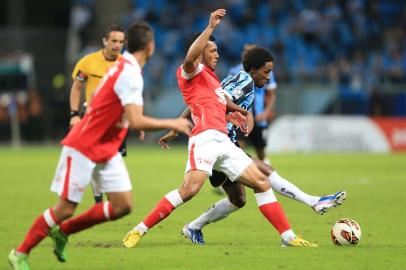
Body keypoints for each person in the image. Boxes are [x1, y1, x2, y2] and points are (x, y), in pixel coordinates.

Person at [122, 9, 317, 249]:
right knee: (189, 190)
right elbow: (190, 57)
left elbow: (219, 103)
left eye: (216, 50)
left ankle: (288, 236)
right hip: (204, 139)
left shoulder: (213, 80)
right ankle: (138, 230)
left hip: (223, 141)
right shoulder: (191, 71)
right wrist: (211, 27)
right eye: (212, 50)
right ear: (200, 49)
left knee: (261, 182)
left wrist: (243, 111)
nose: (217, 54)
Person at [8, 21, 192, 270]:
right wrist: (173, 122)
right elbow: (136, 119)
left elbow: (101, 99)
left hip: (106, 146)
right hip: (83, 145)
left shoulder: (123, 67)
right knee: (64, 209)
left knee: (123, 205)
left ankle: (63, 233)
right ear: (150, 47)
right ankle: (20, 252)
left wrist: (117, 119)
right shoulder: (129, 73)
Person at [158, 46, 346, 244]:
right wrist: (243, 113)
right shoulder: (245, 81)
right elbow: (223, 100)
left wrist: (176, 127)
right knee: (265, 172)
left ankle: (193, 227)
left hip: (219, 145)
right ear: (253, 70)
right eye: (266, 72)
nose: (268, 77)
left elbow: (203, 101)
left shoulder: (240, 81)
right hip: (219, 145)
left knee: (238, 200)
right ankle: (313, 202)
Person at [69, 24, 132, 203]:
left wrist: (135, 120)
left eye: (121, 41)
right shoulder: (87, 62)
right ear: (105, 41)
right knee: (93, 161)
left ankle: (112, 199)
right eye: (114, 40)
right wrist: (74, 114)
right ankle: (99, 201)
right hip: (92, 118)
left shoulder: (126, 65)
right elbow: (77, 88)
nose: (117, 45)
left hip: (118, 120)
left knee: (114, 161)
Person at [229, 44, 277, 164]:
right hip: (241, 117)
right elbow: (226, 97)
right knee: (238, 150)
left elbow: (271, 94)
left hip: (258, 117)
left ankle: (265, 173)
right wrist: (242, 112)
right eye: (245, 51)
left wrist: (265, 113)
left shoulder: (265, 71)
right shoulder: (236, 73)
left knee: (261, 152)